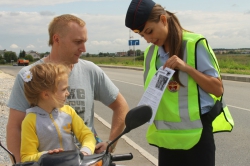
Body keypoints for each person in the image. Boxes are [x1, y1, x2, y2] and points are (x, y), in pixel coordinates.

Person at [6, 14, 129, 163]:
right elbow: (15, 127)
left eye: (84, 42)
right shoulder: (30, 76)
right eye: (78, 42)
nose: (83, 48)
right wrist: (20, 164)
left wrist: (110, 144)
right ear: (56, 39)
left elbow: (120, 106)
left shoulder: (91, 70)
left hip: (88, 161)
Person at [125, 0, 234, 166]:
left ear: (163, 20)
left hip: (197, 138)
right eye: (142, 35)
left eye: (149, 31)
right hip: (167, 139)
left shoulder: (194, 44)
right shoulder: (150, 54)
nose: (148, 39)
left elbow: (217, 89)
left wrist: (187, 68)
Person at [21, 63, 96, 162]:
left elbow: (87, 135)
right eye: (64, 89)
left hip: (74, 163)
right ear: (46, 94)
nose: (67, 93)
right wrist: (47, 155)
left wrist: (85, 151)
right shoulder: (30, 121)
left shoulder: (68, 112)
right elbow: (26, 157)